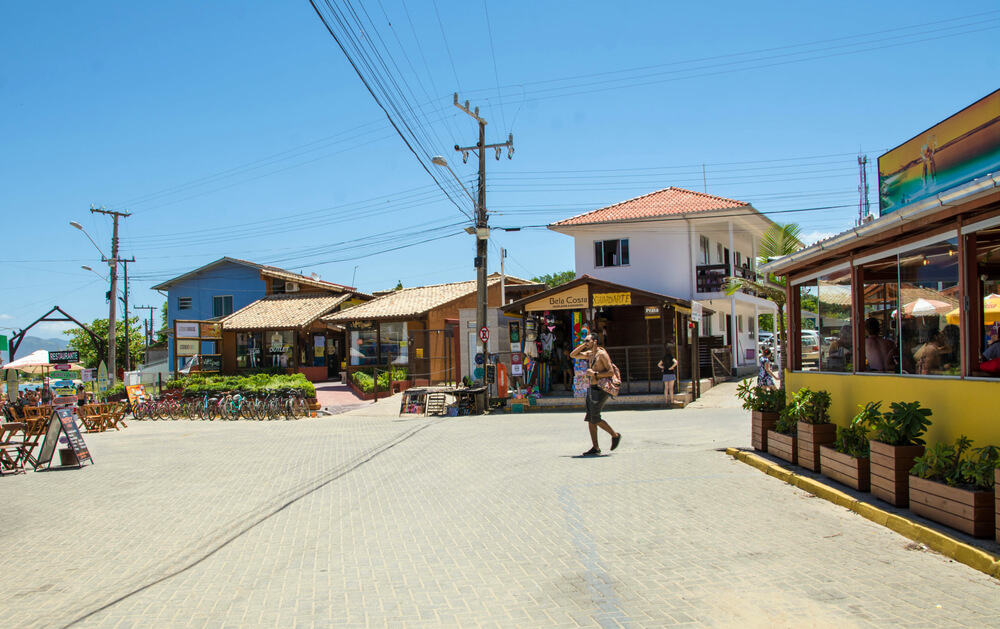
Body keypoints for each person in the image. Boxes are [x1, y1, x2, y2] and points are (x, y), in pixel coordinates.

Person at [569, 333, 621, 456]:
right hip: (592, 388)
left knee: (595, 417)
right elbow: (573, 355)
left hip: (601, 389)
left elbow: (610, 372)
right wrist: (583, 344)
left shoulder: (602, 354)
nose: (586, 342)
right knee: (590, 418)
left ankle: (615, 435)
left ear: (595, 341)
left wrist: (595, 374)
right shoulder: (590, 354)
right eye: (585, 340)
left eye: (588, 340)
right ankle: (595, 447)